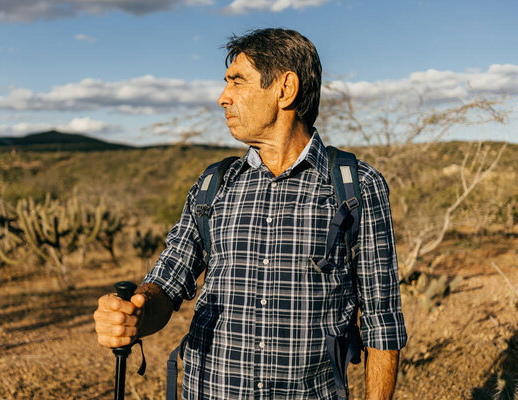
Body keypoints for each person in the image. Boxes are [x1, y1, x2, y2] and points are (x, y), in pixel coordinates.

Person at [94, 28, 407, 399]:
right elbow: (167, 282)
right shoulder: (214, 184)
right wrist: (136, 314)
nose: (222, 98)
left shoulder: (356, 185)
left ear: (285, 89)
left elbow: (381, 322)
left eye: (237, 82)